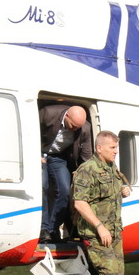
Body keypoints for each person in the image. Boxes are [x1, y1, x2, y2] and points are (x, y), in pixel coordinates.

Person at [71, 130, 131, 275]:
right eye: (112, 148)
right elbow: (80, 202)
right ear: (99, 148)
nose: (116, 152)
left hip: (114, 231)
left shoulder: (111, 167)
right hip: (97, 233)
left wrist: (124, 190)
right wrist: (99, 226)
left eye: (116, 147)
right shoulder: (87, 170)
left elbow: (110, 193)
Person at [40, 103, 93, 243]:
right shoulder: (47, 113)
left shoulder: (84, 128)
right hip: (39, 153)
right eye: (73, 125)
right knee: (43, 186)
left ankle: (52, 229)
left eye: (78, 127)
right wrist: (35, 153)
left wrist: (86, 174)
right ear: (67, 116)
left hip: (59, 157)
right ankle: (43, 228)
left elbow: (86, 157)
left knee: (64, 190)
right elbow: (28, 133)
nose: (75, 129)